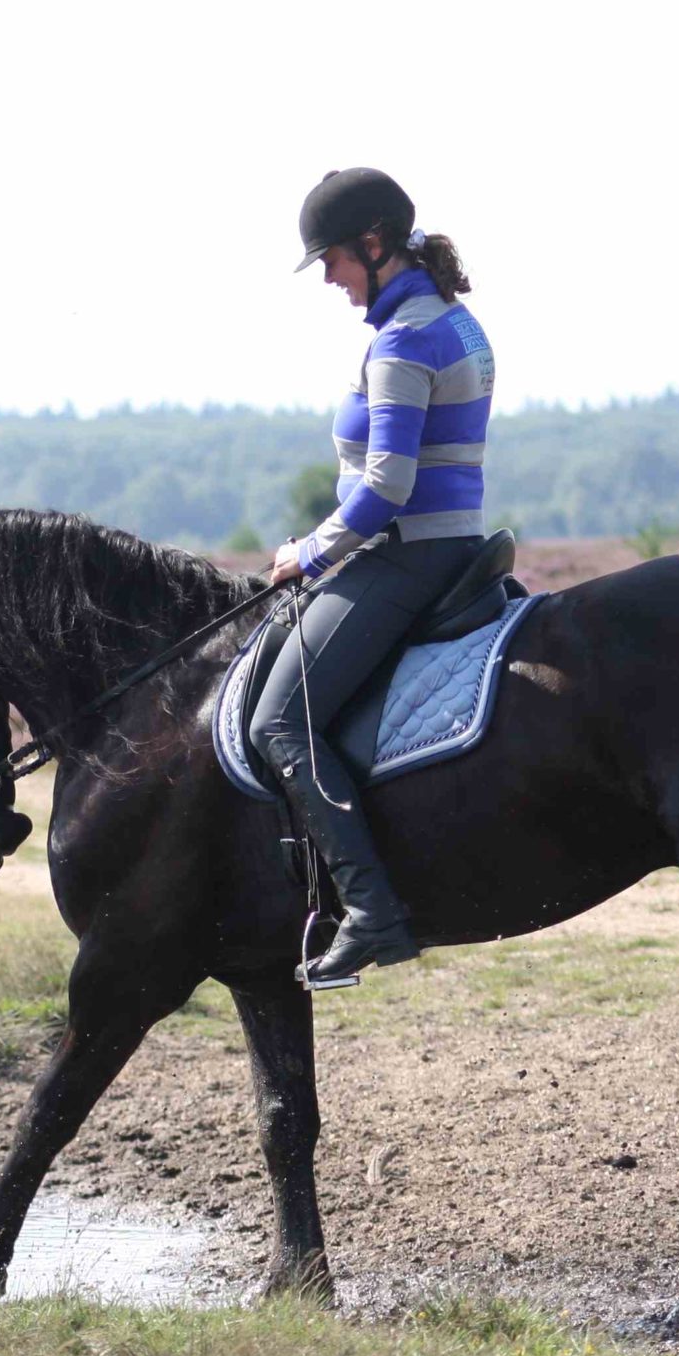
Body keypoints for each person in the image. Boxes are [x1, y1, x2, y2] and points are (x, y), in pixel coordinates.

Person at [249, 168, 494, 989]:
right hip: (452, 543)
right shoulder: (451, 321)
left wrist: (309, 553)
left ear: (375, 244)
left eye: (333, 261)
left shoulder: (402, 342)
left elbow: (386, 485)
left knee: (279, 722)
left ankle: (371, 912)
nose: (328, 278)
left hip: (403, 552)